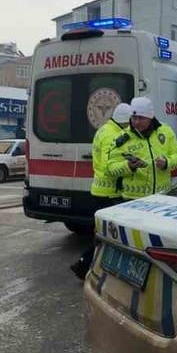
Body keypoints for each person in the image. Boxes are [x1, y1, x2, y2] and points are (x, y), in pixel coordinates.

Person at [70, 102, 132, 280]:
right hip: (108, 192)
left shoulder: (103, 130)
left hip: (99, 189)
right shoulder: (114, 136)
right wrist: (128, 166)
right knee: (106, 235)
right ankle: (83, 265)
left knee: (101, 233)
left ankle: (85, 265)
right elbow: (108, 165)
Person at [108, 96, 177, 200]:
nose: (137, 122)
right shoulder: (123, 138)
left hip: (162, 197)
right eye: (134, 118)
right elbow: (111, 167)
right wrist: (129, 166)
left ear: (151, 117)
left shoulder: (165, 131)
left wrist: (167, 163)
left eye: (141, 118)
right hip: (133, 199)